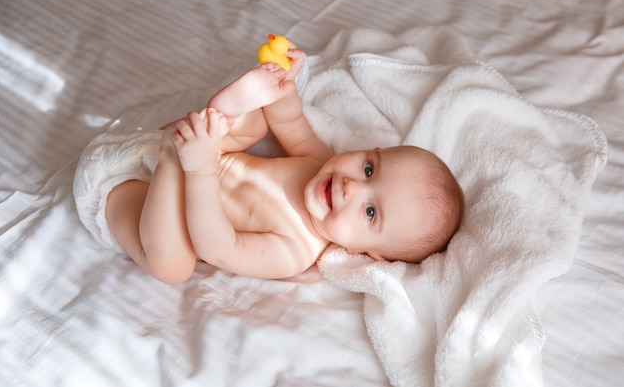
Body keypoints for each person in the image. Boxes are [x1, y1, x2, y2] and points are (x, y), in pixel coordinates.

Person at [74, 42, 464, 284]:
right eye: (368, 170)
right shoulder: (318, 161)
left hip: (126, 192)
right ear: (371, 151)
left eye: (370, 211)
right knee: (260, 119)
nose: (352, 187)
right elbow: (290, 122)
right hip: (169, 145)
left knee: (173, 266)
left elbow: (218, 246)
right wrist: (284, 84)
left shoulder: (294, 250)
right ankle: (228, 110)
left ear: (368, 254)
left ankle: (180, 159)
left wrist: (200, 168)